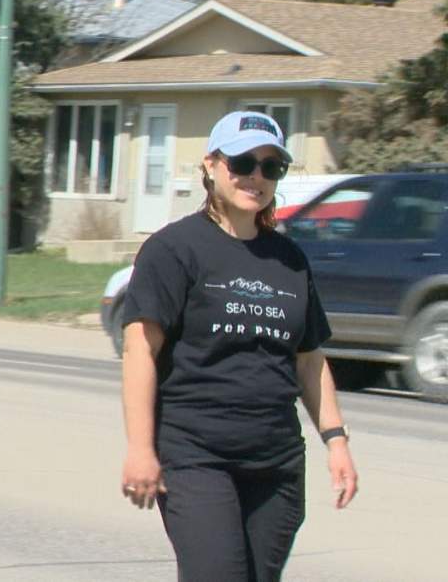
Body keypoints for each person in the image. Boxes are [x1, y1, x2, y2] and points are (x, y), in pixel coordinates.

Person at [119, 111, 359, 581]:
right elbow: (139, 351)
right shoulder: (174, 249)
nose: (256, 176)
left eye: (271, 167)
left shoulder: (287, 258)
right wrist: (140, 448)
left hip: (276, 462)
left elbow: (308, 359)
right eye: (243, 162)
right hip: (195, 455)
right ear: (211, 165)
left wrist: (336, 440)